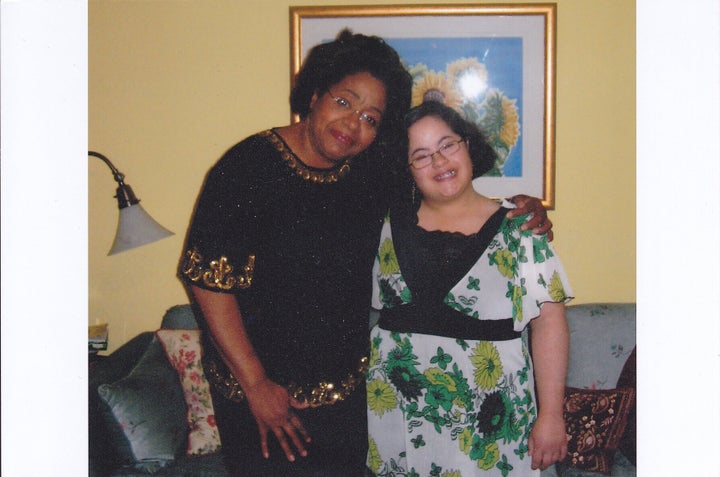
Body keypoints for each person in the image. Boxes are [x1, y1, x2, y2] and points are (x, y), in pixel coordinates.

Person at [179, 30, 552, 476]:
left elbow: (445, 192)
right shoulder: (246, 169)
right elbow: (208, 281)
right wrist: (256, 384)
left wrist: (519, 208)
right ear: (315, 94)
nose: (352, 125)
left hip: (349, 398)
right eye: (344, 103)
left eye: (371, 118)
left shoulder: (370, 173)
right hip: (265, 401)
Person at [365, 101, 573, 476]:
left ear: (468, 145)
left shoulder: (520, 226)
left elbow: (549, 324)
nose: (440, 162)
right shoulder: (382, 224)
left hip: (491, 422)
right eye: (421, 155)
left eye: (448, 145)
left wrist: (552, 415)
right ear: (407, 168)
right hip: (399, 414)